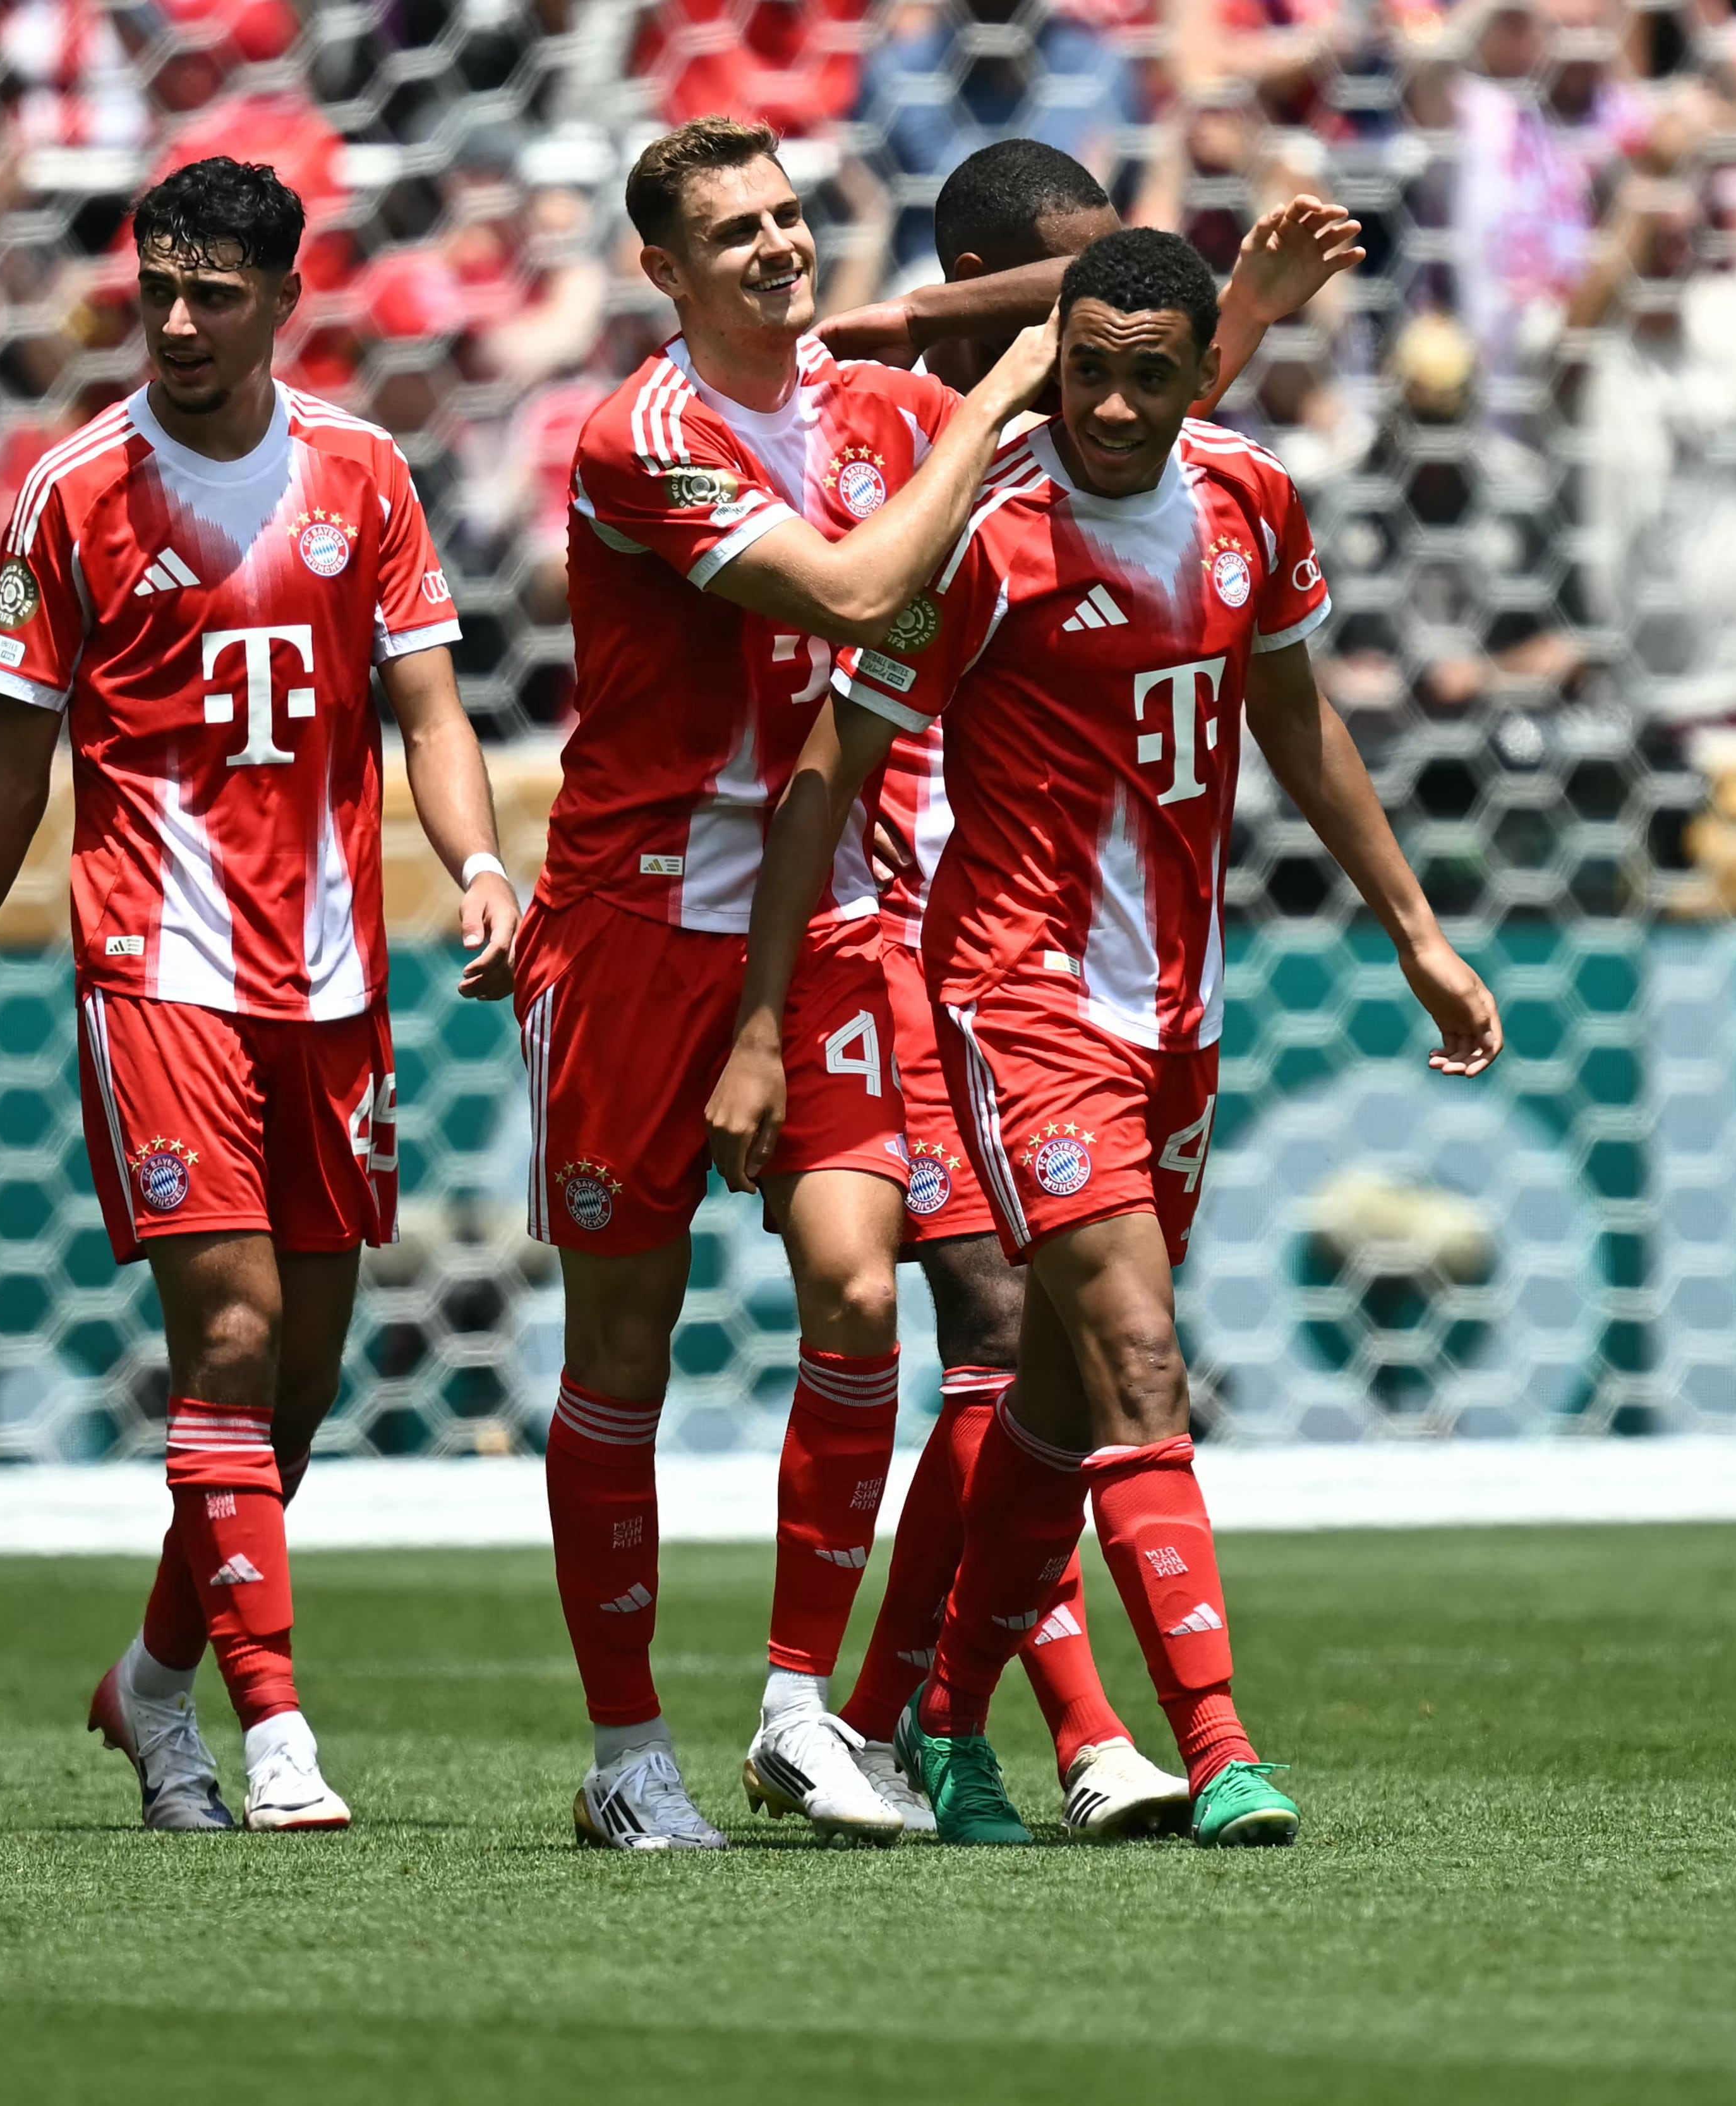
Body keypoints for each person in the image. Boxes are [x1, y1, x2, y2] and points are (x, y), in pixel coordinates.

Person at [707, 228, 1503, 1847]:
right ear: (1052, 357)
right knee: (1138, 1350)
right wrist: (761, 1023)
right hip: (1021, 997)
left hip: (1180, 1014)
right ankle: (1219, 1748)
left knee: (1056, 1397)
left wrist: (1416, 929)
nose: (1120, 410)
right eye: (1092, 373)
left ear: (1194, 370)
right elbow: (826, 768)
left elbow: (1297, 716)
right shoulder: (984, 535)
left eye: (1154, 376)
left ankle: (927, 1712)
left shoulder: (1250, 499)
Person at [0, 156, 521, 1830]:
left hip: (338, 971)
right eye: (157, 287)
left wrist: (482, 861)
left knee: (297, 1384)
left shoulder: (365, 474)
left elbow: (431, 709)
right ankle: (272, 1727)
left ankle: (150, 1680)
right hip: (156, 956)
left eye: (215, 293)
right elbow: (9, 779)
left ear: (287, 302)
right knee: (226, 1331)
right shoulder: (74, 493)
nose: (177, 318)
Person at [807, 140, 1366, 1844]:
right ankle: (1145, 1732)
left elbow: (1154, 409)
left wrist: (1226, 306)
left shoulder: (1155, 450)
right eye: (1058, 297)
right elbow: (892, 347)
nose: (1088, 353)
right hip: (943, 945)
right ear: (1001, 296)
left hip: (1139, 976)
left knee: (1034, 1355)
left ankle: (920, 1713)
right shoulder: (913, 442)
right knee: (1072, 1336)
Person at [511, 116, 1058, 1853]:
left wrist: (950, 332)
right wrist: (984, 387)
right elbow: (857, 582)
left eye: (790, 216)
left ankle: (795, 1709)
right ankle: (623, 1749)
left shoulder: (874, 403)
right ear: (661, 273)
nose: (774, 246)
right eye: (731, 229)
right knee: (626, 1348)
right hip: (631, 934)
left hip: (819, 920)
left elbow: (1138, 339)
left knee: (855, 1289)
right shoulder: (637, 438)